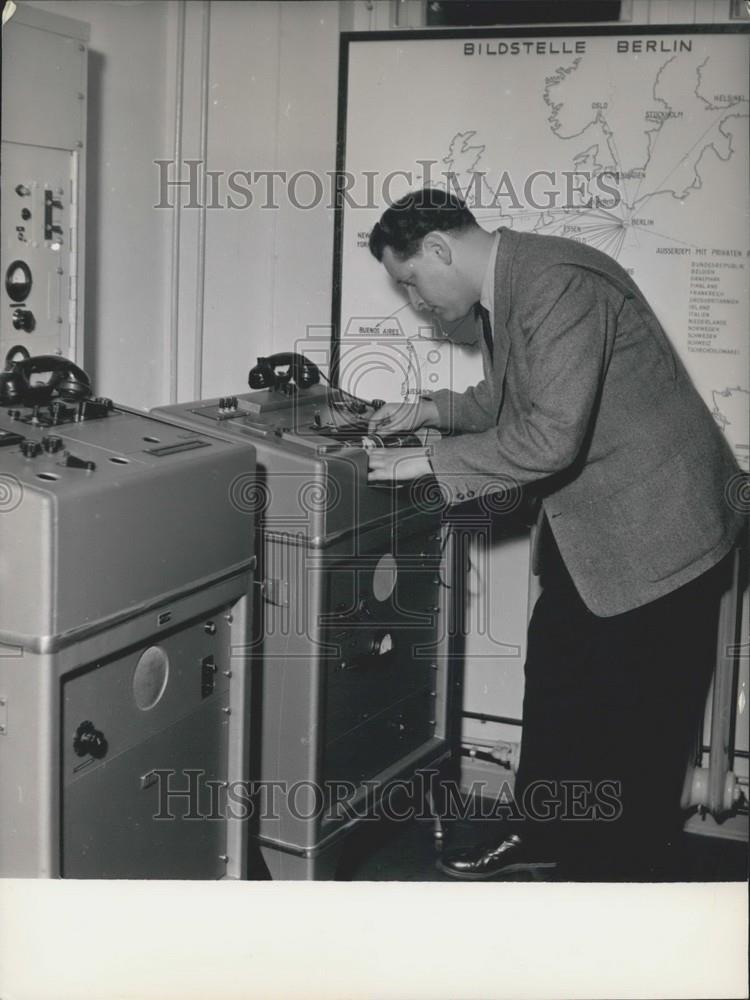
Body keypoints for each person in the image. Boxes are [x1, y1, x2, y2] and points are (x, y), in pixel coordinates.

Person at [365, 188, 743, 880]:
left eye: (412, 282)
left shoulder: (553, 284)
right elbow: (512, 399)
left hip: (660, 535)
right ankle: (544, 835)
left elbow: (549, 437)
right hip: (597, 531)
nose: (416, 303)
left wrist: (423, 462)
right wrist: (430, 410)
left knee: (636, 731)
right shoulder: (515, 285)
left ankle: (609, 892)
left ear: (441, 250)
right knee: (560, 685)